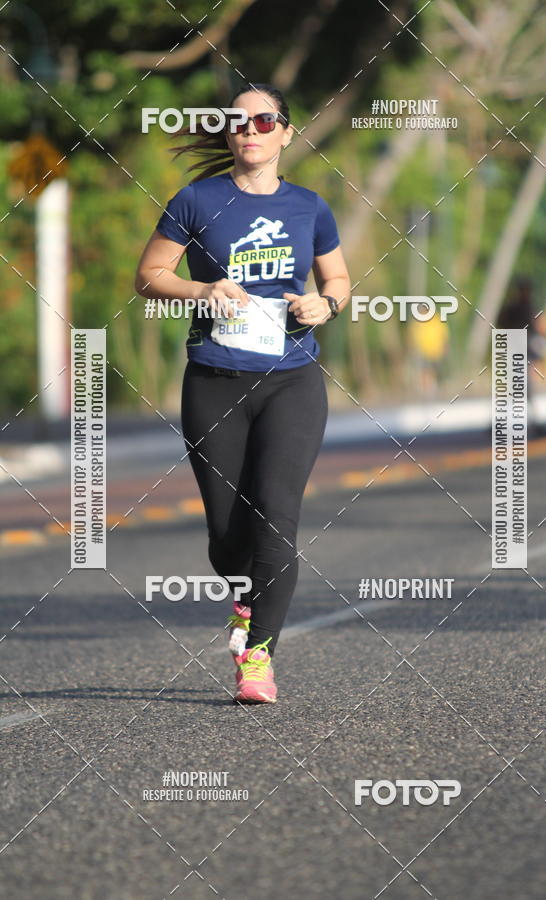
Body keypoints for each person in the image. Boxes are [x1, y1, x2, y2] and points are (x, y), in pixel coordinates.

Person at [134, 83, 351, 702]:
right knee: (229, 531)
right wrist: (202, 292)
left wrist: (325, 304)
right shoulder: (197, 199)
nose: (251, 129)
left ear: (286, 132)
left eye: (264, 120)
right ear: (229, 133)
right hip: (214, 378)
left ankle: (258, 658)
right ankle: (243, 599)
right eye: (239, 121)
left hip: (292, 380)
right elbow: (149, 275)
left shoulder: (310, 206)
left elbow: (336, 277)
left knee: (277, 520)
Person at [497, 276, 546, 435]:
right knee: (519, 387)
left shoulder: (516, 307)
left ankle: (529, 421)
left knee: (521, 387)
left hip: (521, 350)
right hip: (519, 350)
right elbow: (541, 327)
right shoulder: (524, 308)